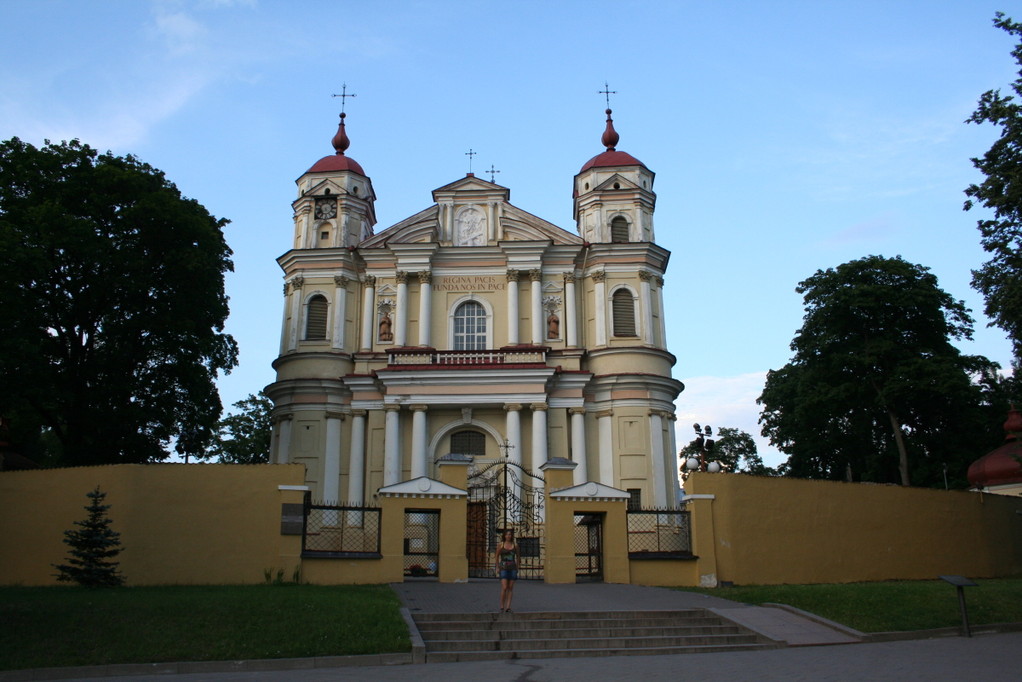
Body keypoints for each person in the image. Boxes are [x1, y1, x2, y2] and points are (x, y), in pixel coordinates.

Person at [495, 529, 518, 613]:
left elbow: (518, 557)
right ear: (504, 536)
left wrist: (517, 567)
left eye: (510, 534)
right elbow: (497, 556)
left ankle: (508, 607)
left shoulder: (515, 545)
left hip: (512, 568)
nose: (508, 536)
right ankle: (502, 606)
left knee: (510, 588)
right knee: (504, 587)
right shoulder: (501, 545)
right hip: (503, 567)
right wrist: (497, 567)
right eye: (507, 534)